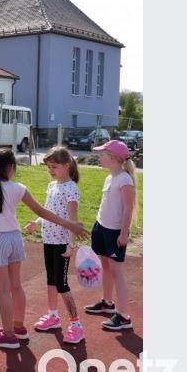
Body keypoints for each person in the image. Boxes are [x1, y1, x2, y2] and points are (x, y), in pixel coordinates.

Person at [0, 149, 88, 349]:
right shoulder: (19, 188)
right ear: (11, 168)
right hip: (15, 239)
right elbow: (41, 211)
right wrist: (70, 225)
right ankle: (19, 328)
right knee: (16, 286)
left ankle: (8, 336)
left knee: (3, 291)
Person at [24, 146, 85, 343]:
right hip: (48, 239)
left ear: (67, 165)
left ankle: (76, 324)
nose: (51, 170)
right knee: (51, 280)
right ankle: (53, 316)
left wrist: (71, 245)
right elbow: (48, 211)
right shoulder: (52, 186)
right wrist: (37, 222)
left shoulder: (71, 189)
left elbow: (74, 221)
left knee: (62, 283)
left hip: (62, 243)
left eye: (54, 166)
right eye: (49, 167)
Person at [83, 140, 138, 331]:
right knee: (105, 266)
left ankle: (123, 316)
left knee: (116, 272)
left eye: (103, 154)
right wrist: (97, 226)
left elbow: (128, 209)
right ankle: (107, 302)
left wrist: (124, 233)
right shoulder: (109, 178)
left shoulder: (125, 179)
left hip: (115, 231)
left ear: (114, 158)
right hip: (102, 227)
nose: (100, 157)